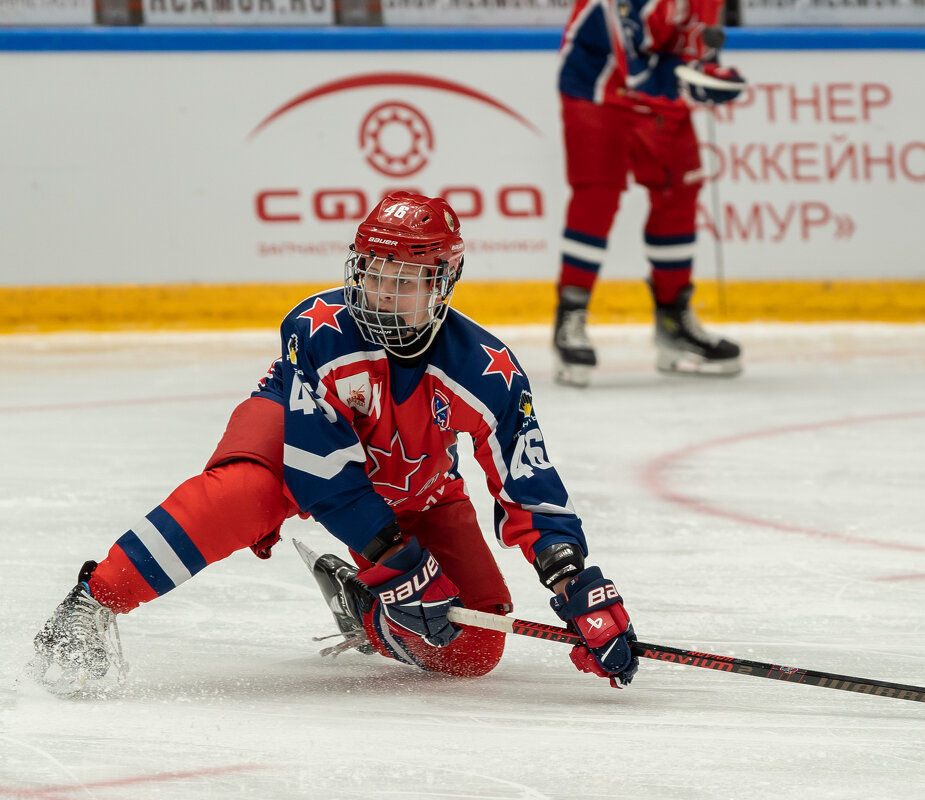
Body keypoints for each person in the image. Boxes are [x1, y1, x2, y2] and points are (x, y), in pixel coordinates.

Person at [28, 191, 638, 695]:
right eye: (374, 273)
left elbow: (527, 485)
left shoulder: (488, 372)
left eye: (404, 280)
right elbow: (321, 468)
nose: (381, 293)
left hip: (413, 476)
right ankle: (94, 597)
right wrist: (397, 562)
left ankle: (363, 608)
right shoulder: (317, 330)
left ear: (444, 282)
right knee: (244, 496)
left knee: (476, 645)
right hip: (292, 441)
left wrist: (575, 585)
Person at [553, 0, 747, 386]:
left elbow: (694, 46)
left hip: (660, 94)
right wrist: (691, 81)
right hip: (597, 87)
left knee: (679, 194)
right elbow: (636, 70)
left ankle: (673, 322)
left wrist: (711, 74)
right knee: (597, 198)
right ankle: (570, 317)